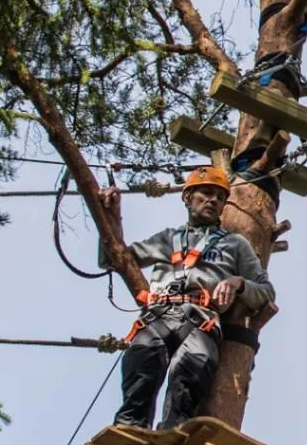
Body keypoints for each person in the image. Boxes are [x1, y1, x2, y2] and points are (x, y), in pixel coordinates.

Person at [106, 166, 275, 431]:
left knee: (190, 379)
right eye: (206, 194)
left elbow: (266, 291)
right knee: (141, 367)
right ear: (187, 197)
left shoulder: (235, 244)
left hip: (201, 321)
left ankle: (172, 436)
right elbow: (112, 258)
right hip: (158, 316)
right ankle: (128, 431)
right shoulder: (166, 239)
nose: (214, 201)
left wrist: (238, 282)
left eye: (220, 198)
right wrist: (113, 218)